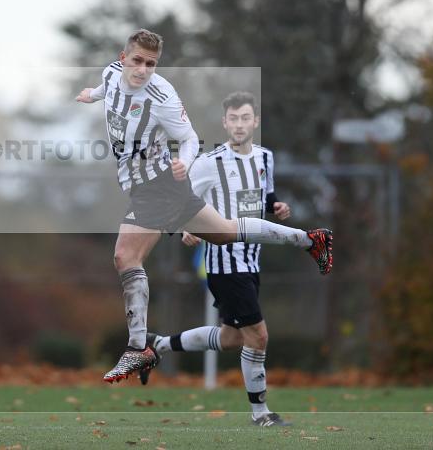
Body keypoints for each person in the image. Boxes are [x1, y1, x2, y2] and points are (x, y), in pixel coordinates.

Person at [75, 30, 333, 384]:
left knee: (125, 257)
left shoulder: (162, 95)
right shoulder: (109, 73)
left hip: (158, 184)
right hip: (146, 187)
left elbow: (188, 139)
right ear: (123, 58)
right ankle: (310, 240)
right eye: (137, 61)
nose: (143, 69)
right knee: (226, 233)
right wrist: (92, 95)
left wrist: (183, 162)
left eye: (151, 64)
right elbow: (108, 88)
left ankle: (137, 347)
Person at [143, 91, 326, 427]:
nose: (240, 124)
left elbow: (263, 195)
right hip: (224, 263)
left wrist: (276, 206)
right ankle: (261, 415)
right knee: (259, 336)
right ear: (225, 122)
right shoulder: (208, 162)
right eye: (233, 118)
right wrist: (187, 228)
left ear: (255, 122)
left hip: (252, 261)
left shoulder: (265, 158)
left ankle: (159, 344)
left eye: (246, 118)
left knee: (231, 338)